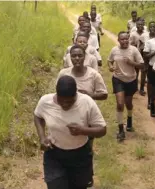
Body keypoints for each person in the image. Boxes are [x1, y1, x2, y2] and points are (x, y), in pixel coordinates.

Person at [34, 75, 107, 189]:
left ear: (76, 94)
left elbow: (102, 130)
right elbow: (38, 116)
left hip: (80, 156)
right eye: (62, 101)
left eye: (70, 101)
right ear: (56, 94)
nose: (65, 105)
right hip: (54, 155)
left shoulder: (86, 102)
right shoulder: (45, 102)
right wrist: (42, 137)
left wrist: (83, 130)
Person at [58, 45, 107, 189]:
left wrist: (89, 95)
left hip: (87, 118)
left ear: (85, 57)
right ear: (70, 57)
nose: (77, 58)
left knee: (86, 148)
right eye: (74, 56)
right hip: (65, 116)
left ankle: (87, 176)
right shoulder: (63, 74)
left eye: (80, 55)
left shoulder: (93, 74)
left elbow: (104, 94)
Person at [108, 31, 144, 142]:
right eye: (122, 39)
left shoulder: (134, 50)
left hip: (131, 80)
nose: (124, 41)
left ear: (129, 39)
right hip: (118, 79)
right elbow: (109, 61)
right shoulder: (114, 50)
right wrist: (110, 67)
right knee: (120, 104)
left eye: (126, 39)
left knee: (128, 103)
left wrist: (131, 63)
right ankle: (120, 130)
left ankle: (129, 120)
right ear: (118, 40)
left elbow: (142, 65)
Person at [129, 18, 146, 96]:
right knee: (136, 71)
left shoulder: (146, 34)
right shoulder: (133, 34)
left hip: (144, 55)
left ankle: (142, 88)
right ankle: (135, 87)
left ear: (143, 25)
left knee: (143, 72)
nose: (140, 26)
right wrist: (134, 46)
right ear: (136, 25)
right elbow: (129, 44)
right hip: (136, 55)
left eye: (141, 24)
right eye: (138, 24)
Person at [139, 21, 155, 97]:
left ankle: (154, 90)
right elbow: (140, 44)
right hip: (145, 57)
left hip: (154, 58)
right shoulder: (144, 35)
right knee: (143, 72)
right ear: (148, 27)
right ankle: (141, 88)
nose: (152, 28)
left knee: (153, 75)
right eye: (151, 27)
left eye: (154, 27)